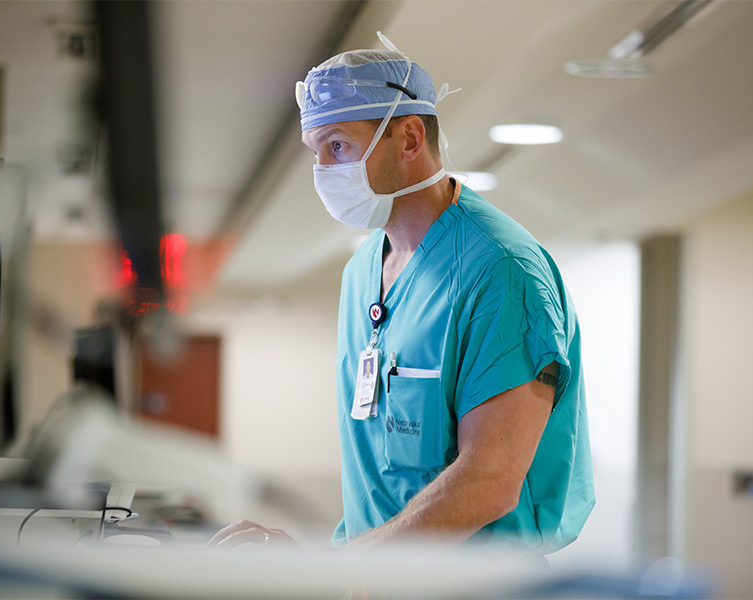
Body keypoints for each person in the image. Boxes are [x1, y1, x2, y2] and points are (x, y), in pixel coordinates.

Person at [209, 32, 594, 555]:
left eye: (338, 146)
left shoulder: (501, 273)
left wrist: (339, 572)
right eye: (315, 153)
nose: (323, 171)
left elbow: (490, 481)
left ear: (410, 138)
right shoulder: (362, 270)